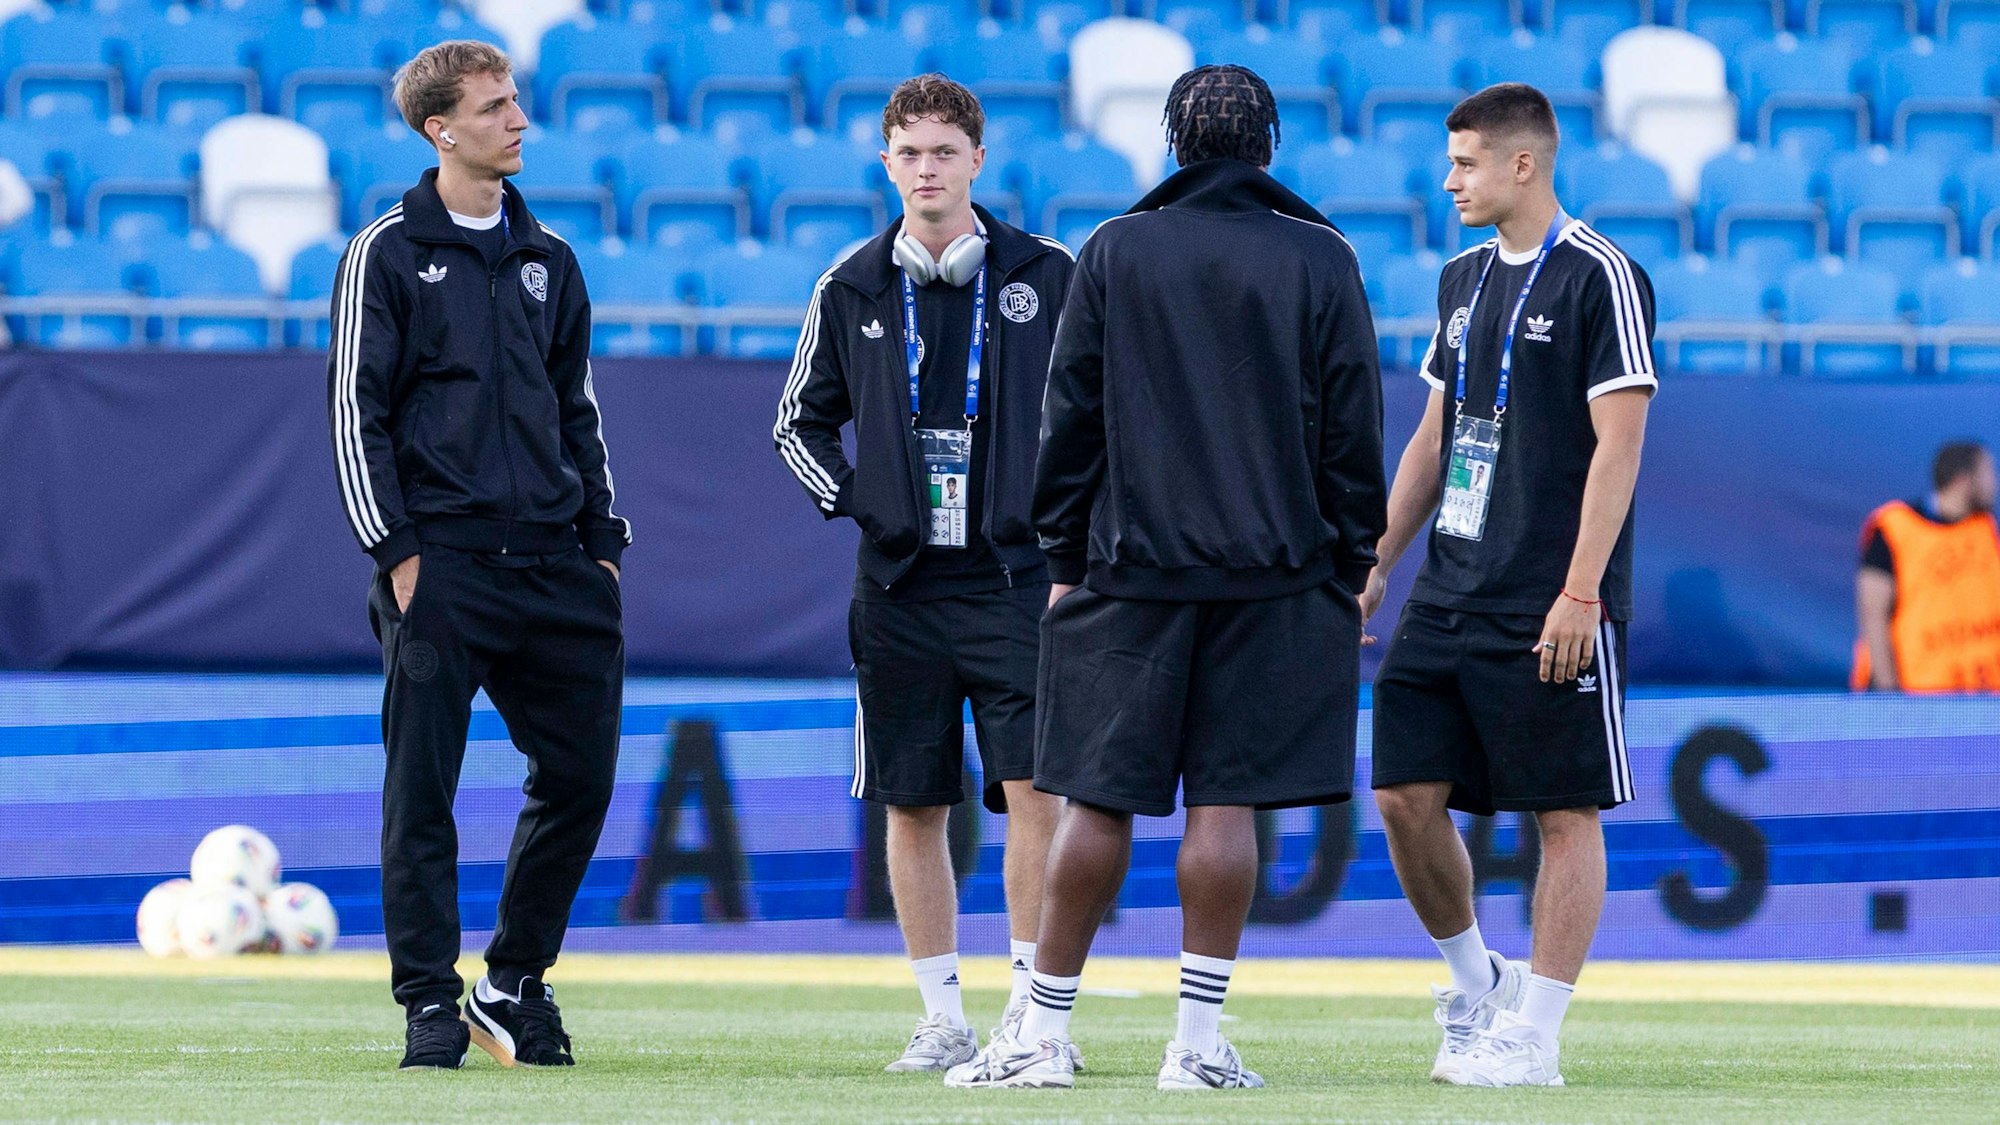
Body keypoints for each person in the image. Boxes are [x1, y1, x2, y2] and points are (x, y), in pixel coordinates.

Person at [947, 64, 1385, 1092]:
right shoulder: (1320, 257)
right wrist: (1353, 560)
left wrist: (1061, 557)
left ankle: (1041, 1036)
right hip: (1275, 576)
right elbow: (1352, 425)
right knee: (1224, 808)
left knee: (1095, 802)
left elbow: (1071, 421)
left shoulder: (1116, 249)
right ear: (1267, 144)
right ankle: (1194, 1047)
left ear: (1171, 142)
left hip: (1127, 569)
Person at [327, 40, 630, 1071]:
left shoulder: (551, 259)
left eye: (516, 103)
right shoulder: (384, 251)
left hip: (556, 565)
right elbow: (354, 414)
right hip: (442, 564)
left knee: (581, 777)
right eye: (496, 107)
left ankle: (510, 981)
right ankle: (427, 999)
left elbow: (576, 409)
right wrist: (398, 552)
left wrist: (601, 541)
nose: (518, 122)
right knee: (423, 791)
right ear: (439, 128)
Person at [772, 74, 1075, 1074]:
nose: (927, 169)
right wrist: (865, 502)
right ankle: (942, 1013)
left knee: (1035, 793)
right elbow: (795, 426)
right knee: (912, 801)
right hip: (898, 586)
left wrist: (1063, 525)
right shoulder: (850, 282)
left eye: (945, 151)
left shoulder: (1048, 274)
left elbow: (1099, 417)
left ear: (978, 160)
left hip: (1013, 579)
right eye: (909, 153)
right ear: (885, 162)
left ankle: (1033, 1016)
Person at [1360, 83, 1656, 1088]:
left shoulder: (1599, 277)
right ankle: (1472, 984)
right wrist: (1377, 561)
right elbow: (1435, 439)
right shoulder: (1457, 279)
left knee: (1561, 812)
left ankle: (1536, 1034)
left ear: (1521, 164)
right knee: (1401, 795)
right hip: (1445, 589)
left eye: (1464, 162)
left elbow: (1620, 448)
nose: (1448, 181)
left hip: (1546, 595)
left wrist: (1579, 592)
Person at [1853, 441, 2000, 692]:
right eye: (1988, 473)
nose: (1994, 483)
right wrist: (1888, 695)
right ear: (1963, 480)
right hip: (1920, 697)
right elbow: (1872, 613)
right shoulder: (1895, 527)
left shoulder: (1984, 528)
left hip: (1982, 696)